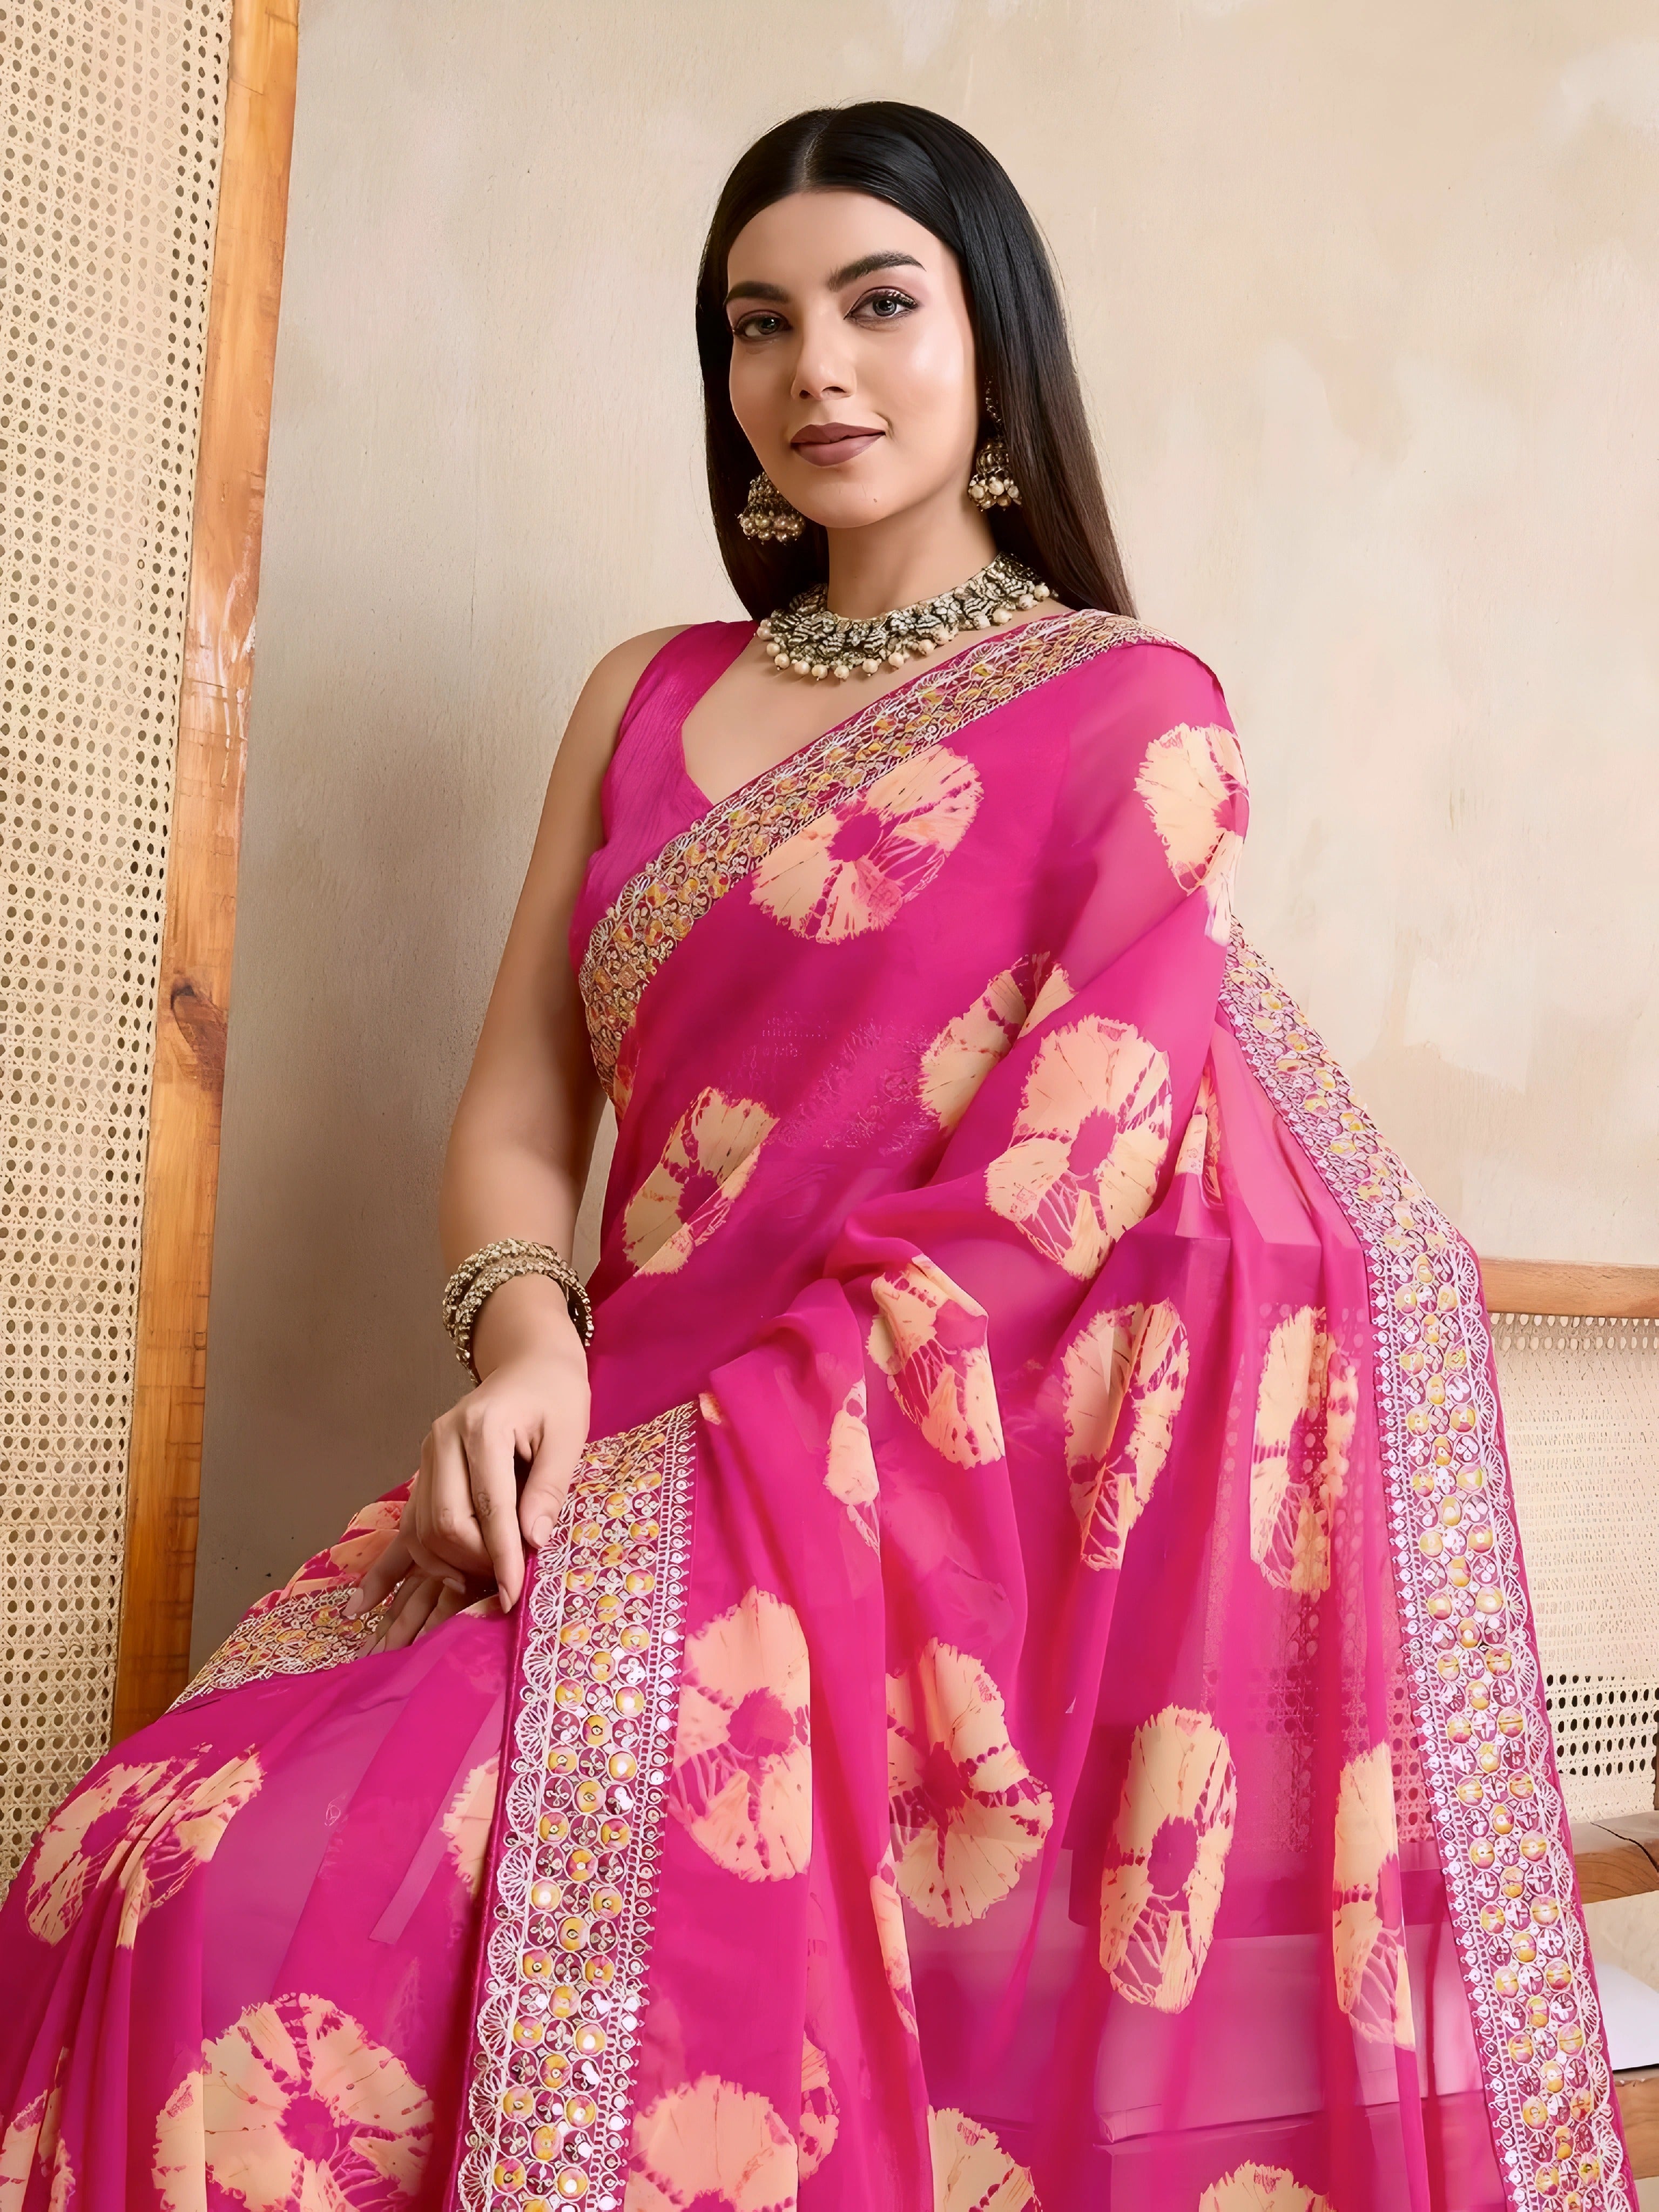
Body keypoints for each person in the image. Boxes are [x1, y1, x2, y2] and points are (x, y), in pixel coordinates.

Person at [0, 100, 1630, 2212]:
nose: (817, 374)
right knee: (133, 1852)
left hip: (879, 1519)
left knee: (267, 1917)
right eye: (756, 327)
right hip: (585, 1449)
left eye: (881, 305)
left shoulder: (1132, 711)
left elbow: (1066, 1202)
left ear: (993, 342)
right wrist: (523, 1338)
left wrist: (742, 1459)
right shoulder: (646, 693)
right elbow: (518, 1114)